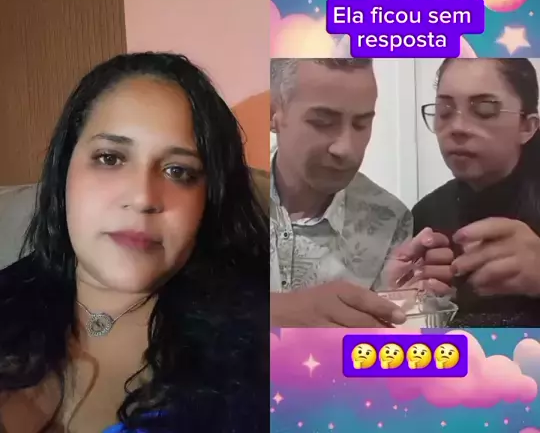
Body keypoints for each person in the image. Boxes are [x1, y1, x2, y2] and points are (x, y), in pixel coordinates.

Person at [0, 53, 269, 432]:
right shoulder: (9, 296)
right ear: (64, 171)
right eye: (110, 158)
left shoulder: (269, 347)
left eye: (178, 171)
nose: (143, 198)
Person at [269, 58, 453, 328]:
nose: (346, 148)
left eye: (361, 124)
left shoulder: (390, 220)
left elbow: (388, 342)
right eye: (322, 122)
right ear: (273, 114)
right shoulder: (227, 197)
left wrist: (398, 308)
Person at [413, 58, 540, 327]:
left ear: (527, 127)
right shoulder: (426, 215)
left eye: (484, 110)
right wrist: (408, 303)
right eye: (444, 111)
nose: (457, 127)